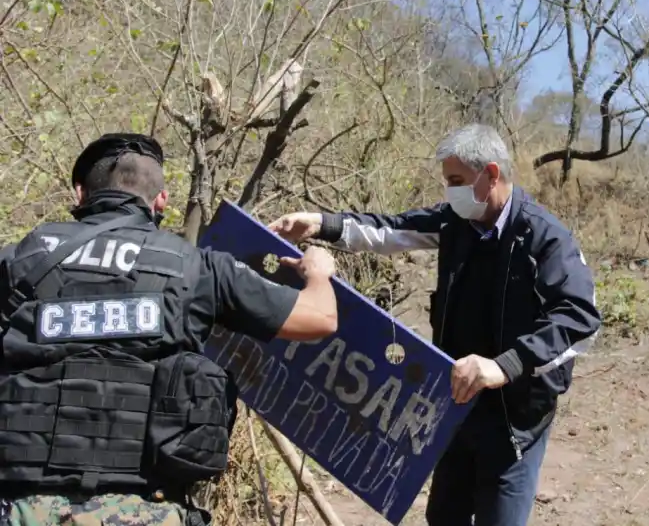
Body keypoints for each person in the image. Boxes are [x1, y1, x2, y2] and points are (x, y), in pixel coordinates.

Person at [269, 123, 602, 526]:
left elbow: (579, 318)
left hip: (515, 421)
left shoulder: (544, 238)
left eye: (456, 181)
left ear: (491, 175)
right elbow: (391, 230)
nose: (449, 191)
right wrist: (321, 224)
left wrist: (505, 365)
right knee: (444, 517)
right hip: (456, 406)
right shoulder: (455, 223)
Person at [0, 133, 340, 526]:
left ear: (80, 193)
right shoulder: (196, 266)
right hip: (146, 508)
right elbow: (320, 319)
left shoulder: (19, 259)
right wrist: (318, 273)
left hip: (21, 506)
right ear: (161, 200)